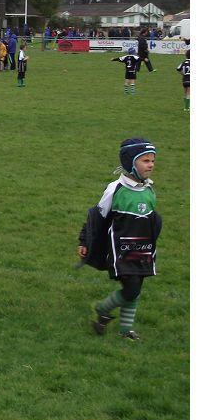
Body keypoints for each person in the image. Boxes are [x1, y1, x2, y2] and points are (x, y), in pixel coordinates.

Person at [79, 139, 161, 342]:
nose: (151, 165)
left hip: (144, 249)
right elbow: (96, 217)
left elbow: (152, 220)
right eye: (145, 160)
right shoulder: (116, 189)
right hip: (122, 250)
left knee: (135, 289)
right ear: (130, 162)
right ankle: (102, 309)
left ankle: (125, 331)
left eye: (152, 160)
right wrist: (84, 241)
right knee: (131, 289)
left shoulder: (149, 189)